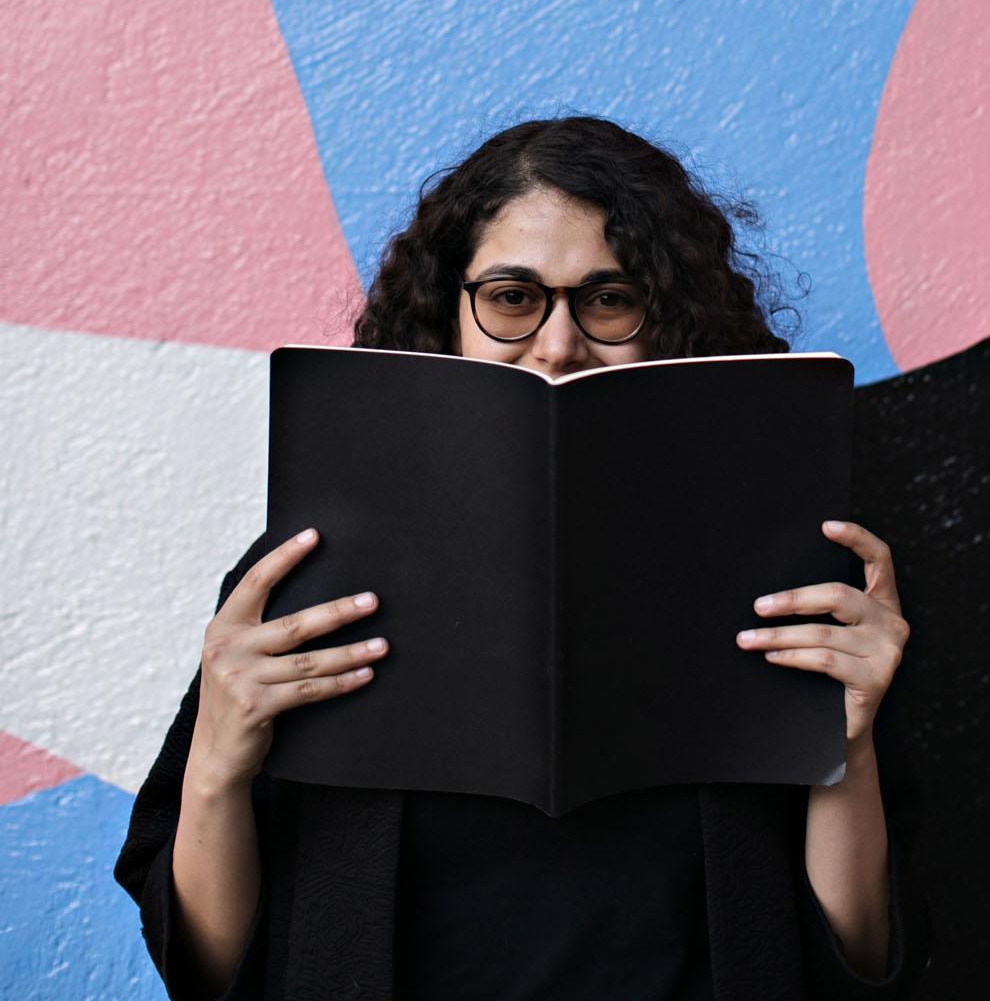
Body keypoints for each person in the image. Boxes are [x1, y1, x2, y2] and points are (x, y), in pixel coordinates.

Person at [115, 115, 933, 999]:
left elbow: (864, 961)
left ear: (670, 317)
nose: (557, 344)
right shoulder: (311, 566)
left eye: (610, 298)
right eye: (512, 296)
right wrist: (216, 766)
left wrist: (844, 742)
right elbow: (203, 968)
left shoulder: (794, 564)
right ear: (446, 311)